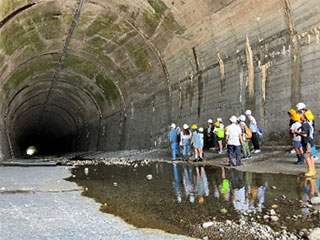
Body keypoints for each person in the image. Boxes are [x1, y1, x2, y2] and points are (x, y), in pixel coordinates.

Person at [294, 112, 317, 176]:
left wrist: (297, 132)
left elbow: (304, 134)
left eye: (303, 116)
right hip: (310, 142)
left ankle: (310, 170)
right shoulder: (308, 124)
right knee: (311, 156)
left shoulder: (304, 125)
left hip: (307, 143)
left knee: (307, 156)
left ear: (305, 118)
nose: (301, 116)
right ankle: (313, 169)